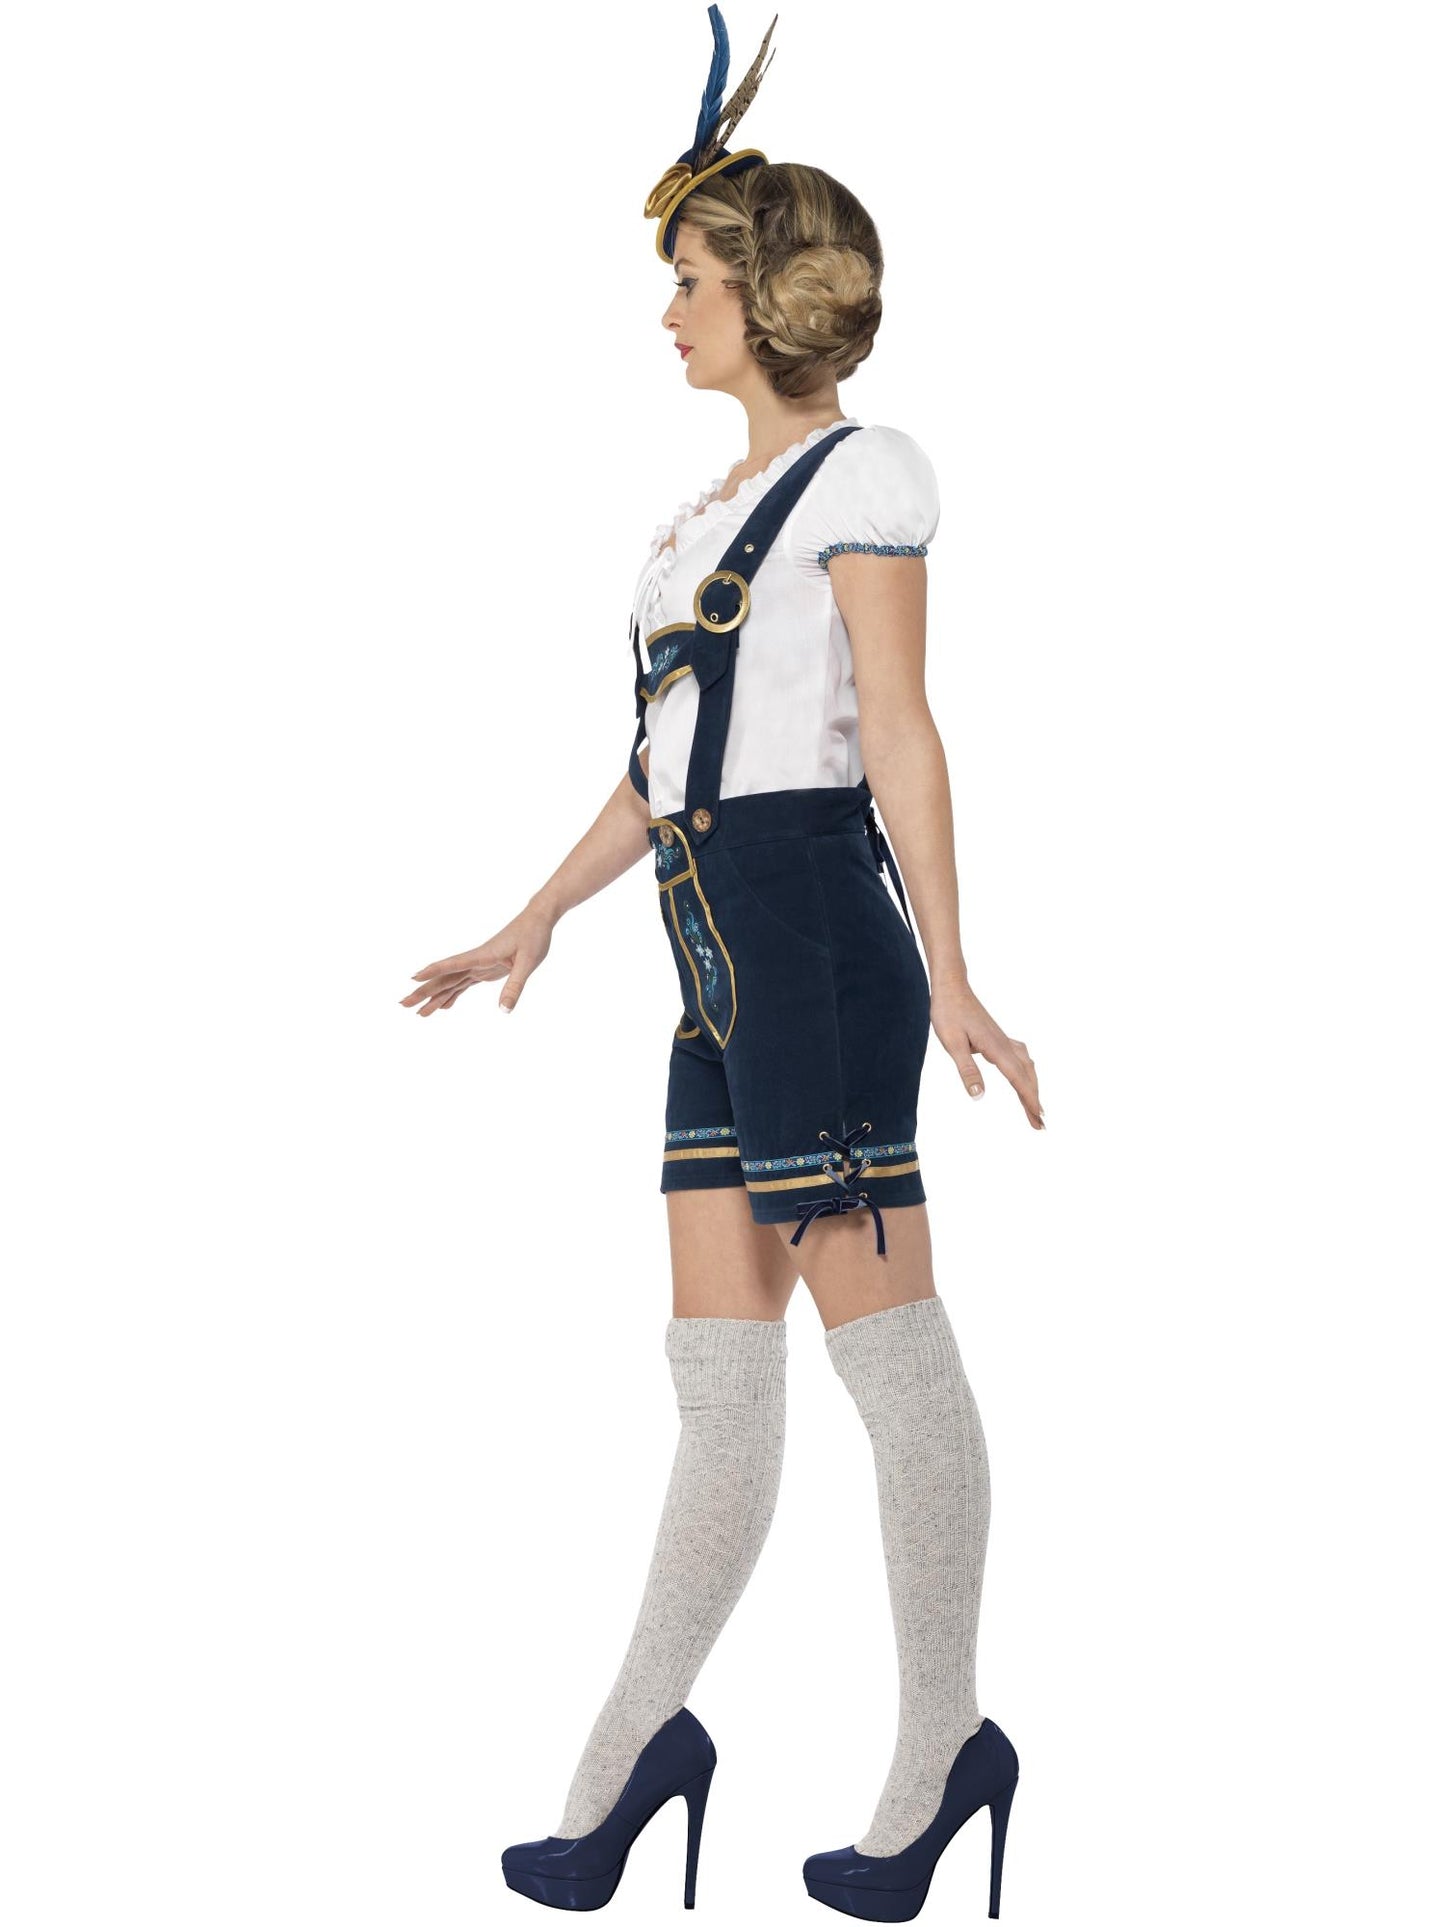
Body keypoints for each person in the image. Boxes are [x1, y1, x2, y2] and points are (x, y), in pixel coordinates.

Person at [402, 7, 1042, 1917]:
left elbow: (896, 732)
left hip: (814, 938)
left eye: (688, 279)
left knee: (889, 1362)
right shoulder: (694, 519)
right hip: (712, 953)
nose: (665, 309)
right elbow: (664, 768)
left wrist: (954, 972)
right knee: (716, 1381)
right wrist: (535, 912)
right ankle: (631, 1765)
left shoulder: (866, 474)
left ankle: (941, 1752)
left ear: (769, 298)